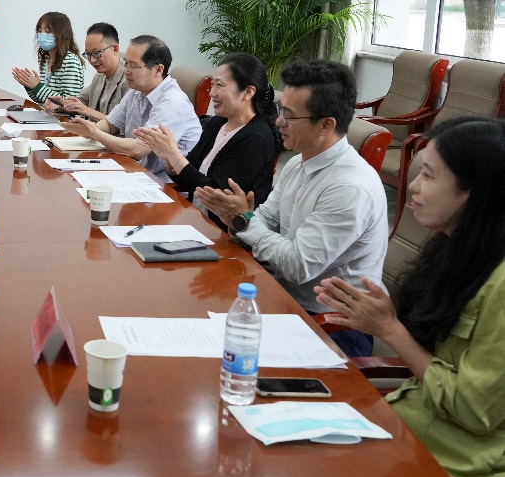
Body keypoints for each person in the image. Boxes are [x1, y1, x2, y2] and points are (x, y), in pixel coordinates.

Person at [315, 117, 505, 477]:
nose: (413, 186)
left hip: (451, 466)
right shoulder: (458, 246)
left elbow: (472, 411)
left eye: (429, 176)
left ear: (476, 191)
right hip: (406, 423)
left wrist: (390, 330)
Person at [197, 59, 386, 357]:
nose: (278, 122)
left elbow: (298, 266)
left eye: (289, 115)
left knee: (215, 354)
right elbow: (264, 219)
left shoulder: (349, 187)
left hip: (333, 326)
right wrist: (238, 220)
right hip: (284, 299)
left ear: (326, 125)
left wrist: (244, 220)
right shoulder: (299, 162)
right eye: (280, 110)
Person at [132, 53, 278, 226]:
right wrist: (168, 157)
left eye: (220, 85)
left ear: (248, 92)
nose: (212, 93)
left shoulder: (255, 139)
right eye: (212, 84)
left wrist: (173, 153)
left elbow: (212, 193)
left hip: (225, 231)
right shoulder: (218, 122)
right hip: (195, 218)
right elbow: (187, 176)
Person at [62, 35, 202, 182]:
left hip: (162, 184)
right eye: (126, 64)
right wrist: (87, 129)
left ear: (158, 70)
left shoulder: (172, 102)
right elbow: (110, 124)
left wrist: (94, 133)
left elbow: (138, 150)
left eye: (133, 66)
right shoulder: (136, 91)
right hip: (133, 170)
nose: (126, 71)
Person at [46, 22, 128, 120]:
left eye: (97, 53)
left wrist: (87, 111)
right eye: (88, 54)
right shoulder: (100, 76)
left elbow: (124, 124)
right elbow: (80, 101)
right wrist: (61, 103)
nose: (92, 60)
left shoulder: (129, 81)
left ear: (115, 49)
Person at [10, 12, 85, 106]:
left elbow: (70, 104)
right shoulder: (47, 59)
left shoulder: (70, 61)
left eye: (48, 31)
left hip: (63, 115)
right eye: (39, 31)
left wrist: (37, 86)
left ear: (61, 33)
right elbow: (41, 100)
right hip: (46, 113)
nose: (42, 35)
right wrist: (29, 85)